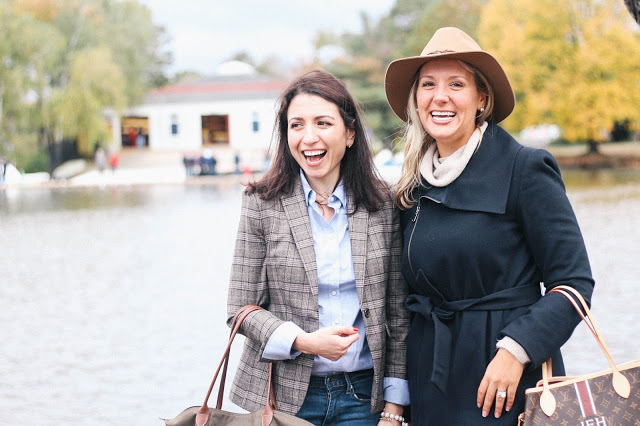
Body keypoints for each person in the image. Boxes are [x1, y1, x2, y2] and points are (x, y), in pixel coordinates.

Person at [384, 27, 594, 424]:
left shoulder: (524, 168)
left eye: (456, 84)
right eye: (427, 84)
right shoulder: (411, 187)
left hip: (504, 378)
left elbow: (575, 284)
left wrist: (517, 351)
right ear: (415, 99)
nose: (439, 97)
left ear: (481, 98)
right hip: (431, 379)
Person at [227, 69, 410, 426]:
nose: (308, 137)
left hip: (364, 398)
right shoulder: (261, 204)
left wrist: (394, 408)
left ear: (350, 133)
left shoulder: (383, 204)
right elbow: (239, 310)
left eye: (323, 123)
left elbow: (398, 314)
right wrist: (303, 341)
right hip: (283, 398)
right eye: (296, 125)